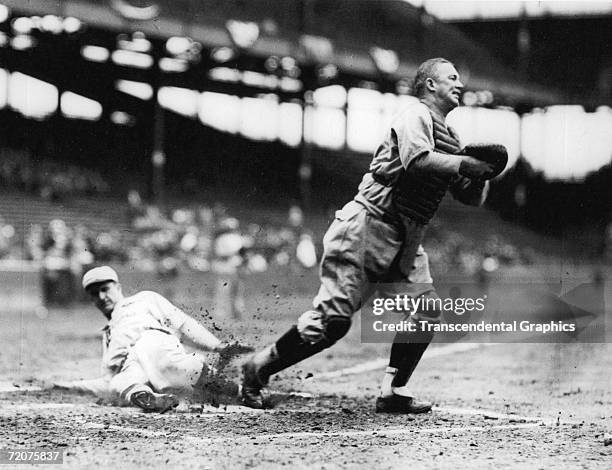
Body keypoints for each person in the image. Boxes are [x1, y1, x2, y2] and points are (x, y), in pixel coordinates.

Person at [241, 58, 497, 412]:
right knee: (332, 323)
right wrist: (465, 164)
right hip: (367, 227)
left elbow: (469, 196)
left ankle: (393, 391)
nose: (459, 84)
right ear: (430, 85)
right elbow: (417, 161)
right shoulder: (415, 115)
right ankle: (257, 368)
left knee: (427, 309)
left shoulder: (452, 138)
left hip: (407, 239)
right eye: (451, 78)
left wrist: (483, 177)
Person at [56, 266, 249, 412]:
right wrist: (71, 385)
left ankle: (243, 392)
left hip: (155, 342)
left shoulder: (144, 299)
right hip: (132, 366)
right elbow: (107, 380)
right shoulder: (108, 333)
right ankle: (152, 399)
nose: (101, 296)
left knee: (177, 366)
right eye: (94, 294)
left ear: (118, 287)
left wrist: (216, 346)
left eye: (105, 289)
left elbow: (183, 324)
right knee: (118, 383)